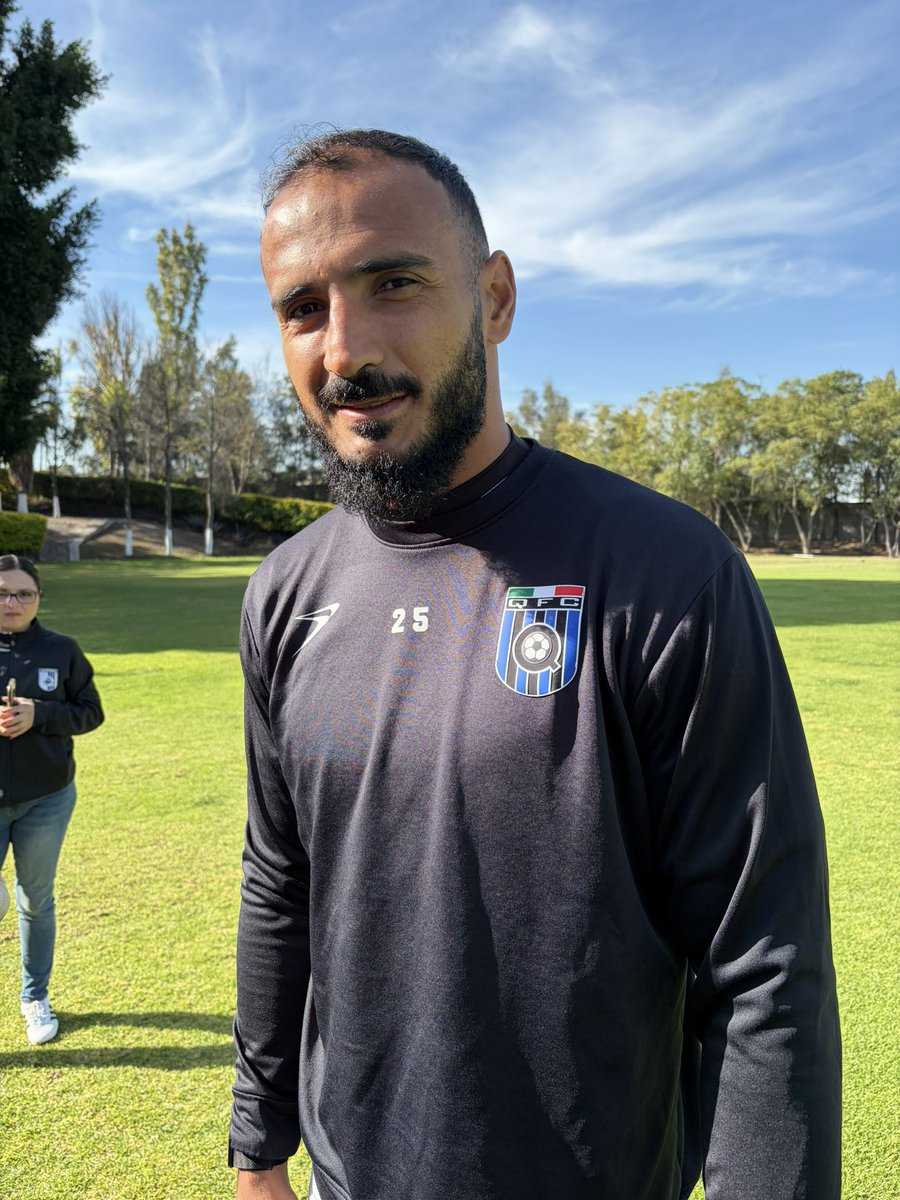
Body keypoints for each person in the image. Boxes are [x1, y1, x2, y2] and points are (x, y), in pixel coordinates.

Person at [229, 130, 841, 1200]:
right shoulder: (284, 592)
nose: (345, 349)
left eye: (395, 283)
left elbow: (763, 964)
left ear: (495, 298)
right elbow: (279, 882)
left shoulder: (666, 569)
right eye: (303, 308)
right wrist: (257, 1145)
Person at [0, 554, 104, 1044]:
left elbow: (90, 713)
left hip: (46, 799)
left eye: (23, 593)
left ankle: (33, 996)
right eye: (3, 592)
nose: (12, 601)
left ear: (39, 598)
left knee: (34, 901)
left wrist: (39, 712)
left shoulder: (62, 650)